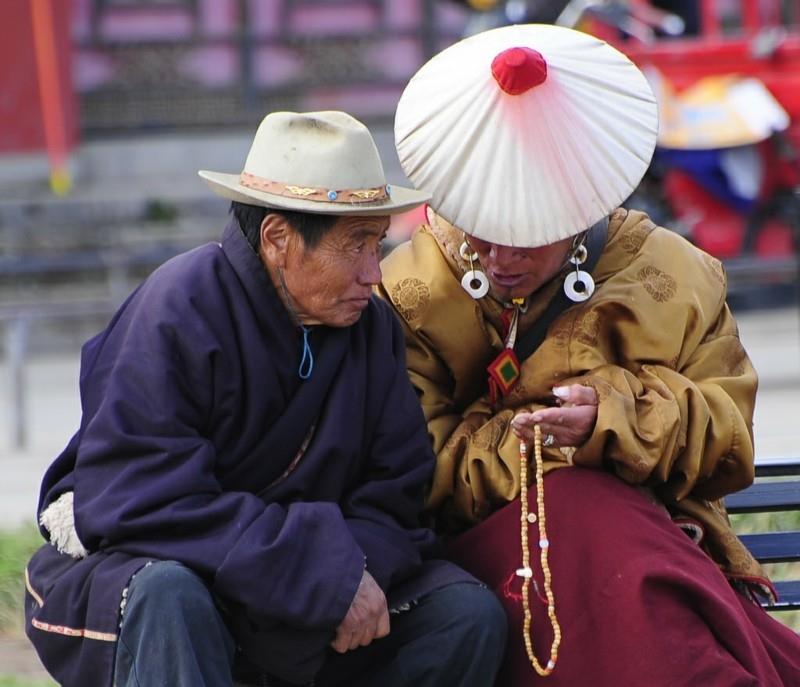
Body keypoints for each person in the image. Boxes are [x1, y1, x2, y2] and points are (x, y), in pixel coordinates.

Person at [379, 24, 800, 686]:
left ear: (579, 211)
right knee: (585, 525)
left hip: (656, 549)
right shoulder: (413, 291)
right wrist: (549, 447)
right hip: (492, 560)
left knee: (640, 584)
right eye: (486, 236)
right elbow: (412, 467)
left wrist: (614, 416)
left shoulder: (673, 276)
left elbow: (728, 435)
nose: (500, 260)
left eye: (527, 240)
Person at [24, 111, 507, 687]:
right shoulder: (178, 308)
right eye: (355, 246)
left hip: (296, 579)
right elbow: (138, 499)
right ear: (278, 239)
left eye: (378, 244)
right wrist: (315, 574)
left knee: (464, 615)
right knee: (169, 594)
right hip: (168, 570)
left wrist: (349, 575)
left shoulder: (370, 328)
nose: (374, 273)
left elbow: (396, 492)